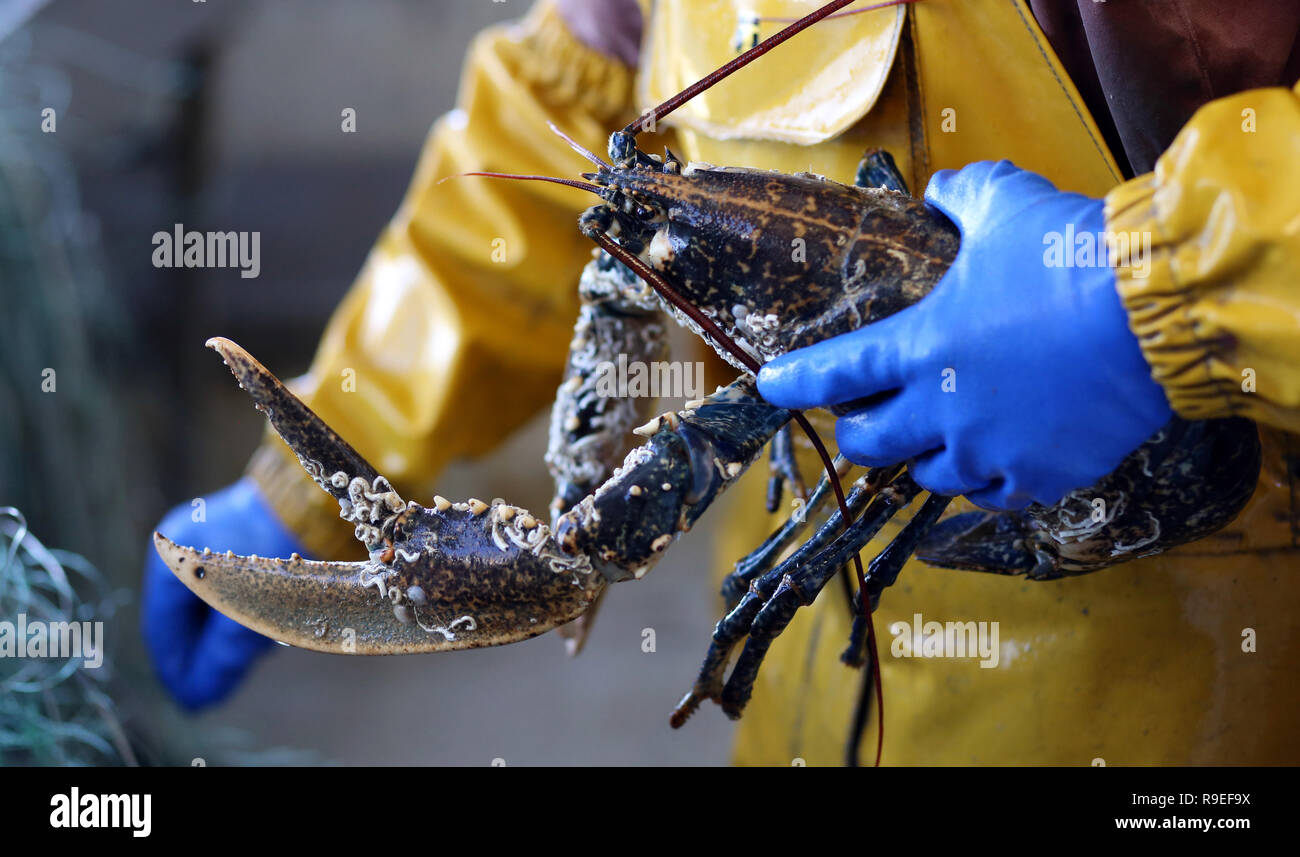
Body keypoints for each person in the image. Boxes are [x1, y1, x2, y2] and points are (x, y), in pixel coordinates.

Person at [144, 0, 1300, 763]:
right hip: (813, 683)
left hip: (1191, 677)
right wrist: (326, 461)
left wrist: (1156, 290)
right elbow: (572, 123)